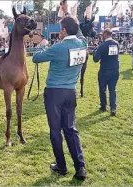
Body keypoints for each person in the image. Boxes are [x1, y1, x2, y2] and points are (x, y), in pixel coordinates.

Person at [32, 15, 87, 181]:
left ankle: (61, 166)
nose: (58, 32)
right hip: (71, 92)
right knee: (70, 129)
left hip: (55, 92)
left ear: (64, 30)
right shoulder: (82, 44)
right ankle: (80, 167)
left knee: (55, 130)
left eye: (60, 28)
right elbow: (80, 33)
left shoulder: (59, 47)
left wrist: (41, 44)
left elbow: (36, 58)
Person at [93, 29, 120, 116]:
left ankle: (103, 106)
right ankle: (113, 108)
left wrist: (95, 51)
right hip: (115, 70)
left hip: (104, 70)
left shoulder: (103, 45)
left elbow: (95, 59)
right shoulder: (116, 44)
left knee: (102, 89)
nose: (101, 36)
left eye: (102, 34)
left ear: (105, 34)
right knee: (112, 89)